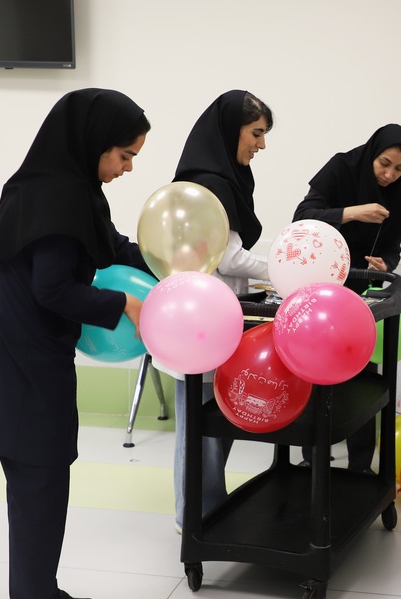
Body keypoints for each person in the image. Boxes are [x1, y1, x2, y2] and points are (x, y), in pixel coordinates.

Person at [0, 89, 152, 599]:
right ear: (94, 143)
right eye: (124, 155)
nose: (128, 168)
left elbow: (110, 246)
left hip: (33, 354)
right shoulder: (57, 196)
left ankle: (41, 594)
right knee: (38, 488)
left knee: (46, 482)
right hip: (23, 364)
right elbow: (54, 289)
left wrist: (165, 261)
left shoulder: (70, 188)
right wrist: (125, 304)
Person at [169, 90, 273, 532]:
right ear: (231, 131)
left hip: (213, 318)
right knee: (202, 427)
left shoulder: (221, 177)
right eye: (256, 133)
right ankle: (196, 515)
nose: (261, 145)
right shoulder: (212, 183)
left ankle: (206, 506)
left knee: (211, 423)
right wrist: (283, 270)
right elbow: (228, 258)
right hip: (202, 323)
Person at [293, 124, 401, 472]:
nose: (389, 175)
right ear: (372, 153)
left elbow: (392, 246)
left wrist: (385, 264)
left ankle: (360, 464)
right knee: (316, 370)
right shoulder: (342, 167)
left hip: (361, 294)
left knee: (362, 373)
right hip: (320, 286)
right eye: (384, 164)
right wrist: (353, 212)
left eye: (400, 168)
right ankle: (312, 456)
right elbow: (303, 217)